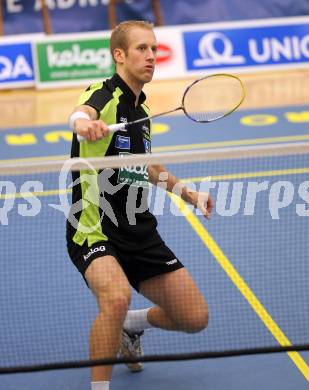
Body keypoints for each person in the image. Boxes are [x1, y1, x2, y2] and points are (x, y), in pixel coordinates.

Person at [67, 20, 213, 390]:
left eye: (153, 49)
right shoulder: (106, 93)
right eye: (141, 49)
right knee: (115, 298)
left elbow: (146, 167)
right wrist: (83, 125)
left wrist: (189, 195)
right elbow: (83, 112)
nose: (151, 56)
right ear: (120, 55)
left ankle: (132, 325)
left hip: (140, 230)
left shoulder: (140, 110)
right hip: (94, 226)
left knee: (195, 318)